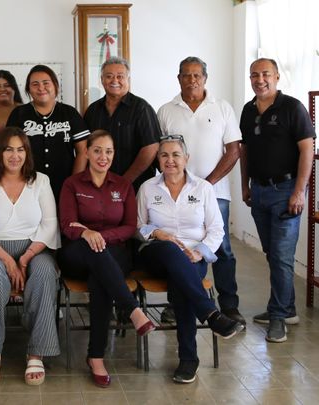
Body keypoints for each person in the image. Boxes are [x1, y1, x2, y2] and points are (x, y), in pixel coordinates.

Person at [137, 135, 244, 384]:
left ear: (186, 159)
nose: (170, 160)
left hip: (194, 256)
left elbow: (217, 228)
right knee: (171, 249)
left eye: (176, 155)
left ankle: (189, 359)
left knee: (181, 283)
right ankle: (210, 314)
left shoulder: (203, 189)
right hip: (156, 254)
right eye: (164, 155)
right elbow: (137, 225)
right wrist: (156, 233)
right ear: (158, 159)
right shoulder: (148, 188)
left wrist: (201, 251)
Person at [58, 130, 155, 388]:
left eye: (108, 151)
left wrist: (100, 236)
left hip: (113, 254)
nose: (103, 156)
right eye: (97, 150)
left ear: (114, 155)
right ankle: (132, 309)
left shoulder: (123, 186)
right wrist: (86, 233)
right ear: (87, 153)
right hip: (76, 253)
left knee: (100, 276)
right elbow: (67, 224)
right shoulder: (72, 184)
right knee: (96, 256)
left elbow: (129, 226)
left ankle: (96, 356)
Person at [0, 127, 61, 387]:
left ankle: (36, 352)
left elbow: (50, 223)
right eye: (8, 149)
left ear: (27, 153)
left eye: (20, 149)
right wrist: (9, 261)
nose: (14, 155)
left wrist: (26, 256)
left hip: (34, 248)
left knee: (44, 273)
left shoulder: (40, 180)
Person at [157, 56, 244, 326]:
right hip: (175, 193)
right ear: (178, 78)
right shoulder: (166, 110)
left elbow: (234, 150)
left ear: (205, 78)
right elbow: (159, 153)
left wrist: (206, 183)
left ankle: (229, 306)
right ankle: (178, 303)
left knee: (222, 248)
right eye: (186, 75)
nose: (191, 80)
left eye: (197, 75)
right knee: (180, 244)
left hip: (215, 191)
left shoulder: (222, 108)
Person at [240, 58, 315, 342]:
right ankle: (288, 308)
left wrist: (299, 191)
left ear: (277, 77)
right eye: (254, 75)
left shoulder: (292, 107)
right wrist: (244, 184)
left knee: (282, 256)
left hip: (286, 191)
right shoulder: (248, 110)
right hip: (259, 191)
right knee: (273, 254)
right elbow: (244, 150)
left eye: (265, 74)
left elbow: (307, 150)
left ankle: (278, 316)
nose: (260, 79)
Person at [7, 64, 89, 199]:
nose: (41, 88)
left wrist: (74, 183)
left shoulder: (69, 113)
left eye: (46, 83)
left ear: (55, 85)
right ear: (28, 89)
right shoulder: (19, 114)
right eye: (35, 84)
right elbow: (9, 150)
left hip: (64, 185)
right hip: (28, 186)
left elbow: (83, 151)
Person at [83, 57, 161, 191]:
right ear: (102, 80)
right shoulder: (93, 110)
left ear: (128, 80)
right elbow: (86, 147)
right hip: (99, 187)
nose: (114, 81)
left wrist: (124, 182)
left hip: (136, 186)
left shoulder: (141, 108)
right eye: (109, 76)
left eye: (120, 76)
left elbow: (151, 148)